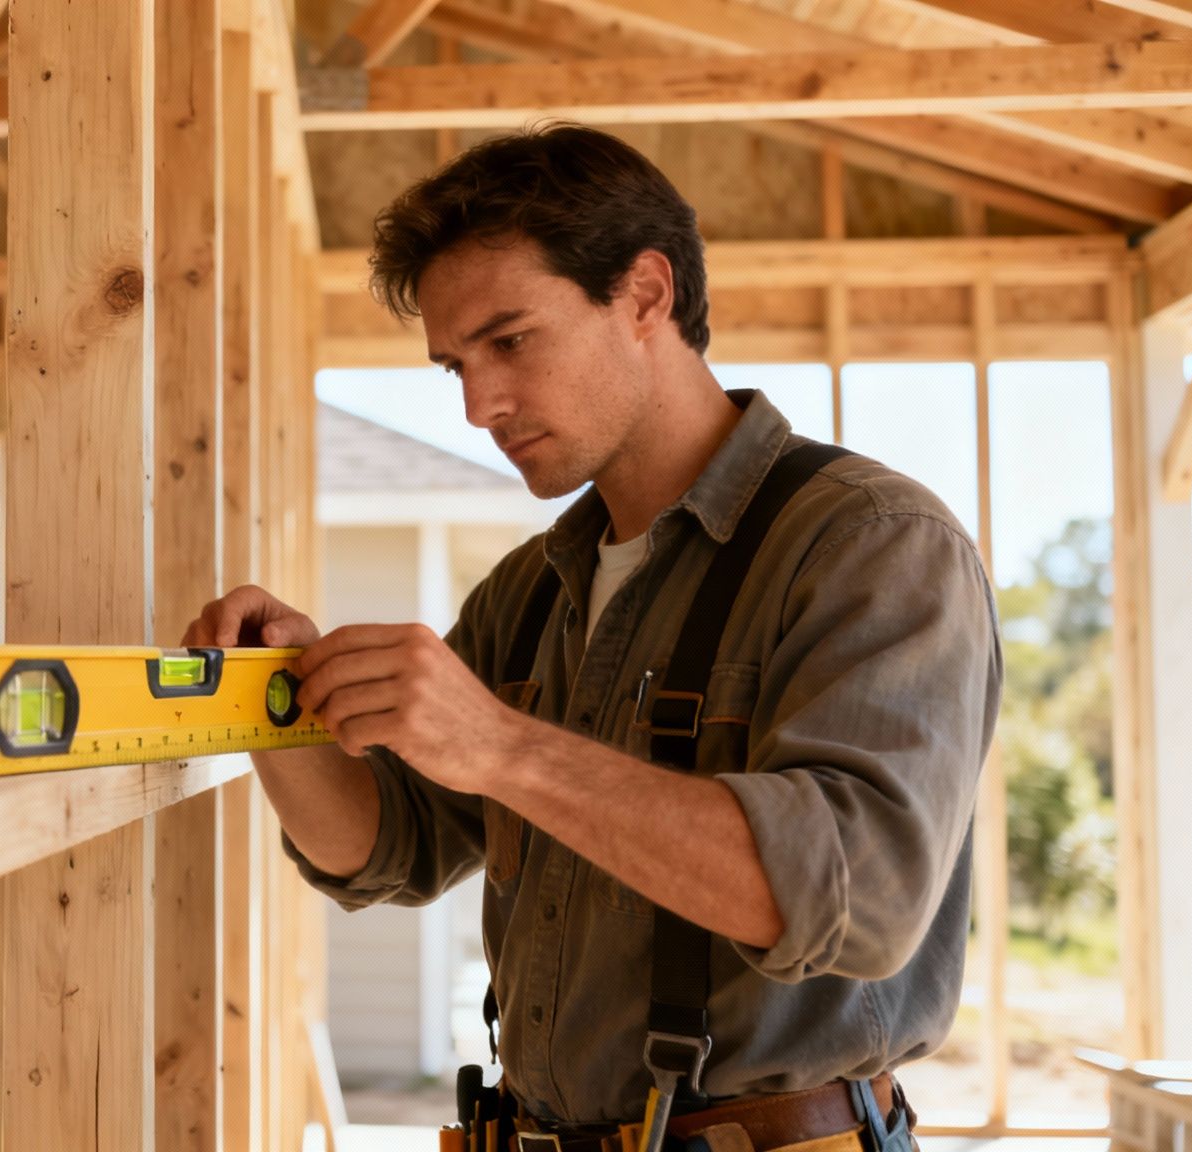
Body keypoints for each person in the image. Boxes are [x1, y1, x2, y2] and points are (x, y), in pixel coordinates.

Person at [183, 123, 1001, 1151]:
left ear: (646, 294)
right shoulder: (531, 590)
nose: (479, 404)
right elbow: (387, 847)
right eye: (454, 366)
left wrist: (501, 746)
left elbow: (861, 895)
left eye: (510, 341)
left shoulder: (870, 544)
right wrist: (275, 703)